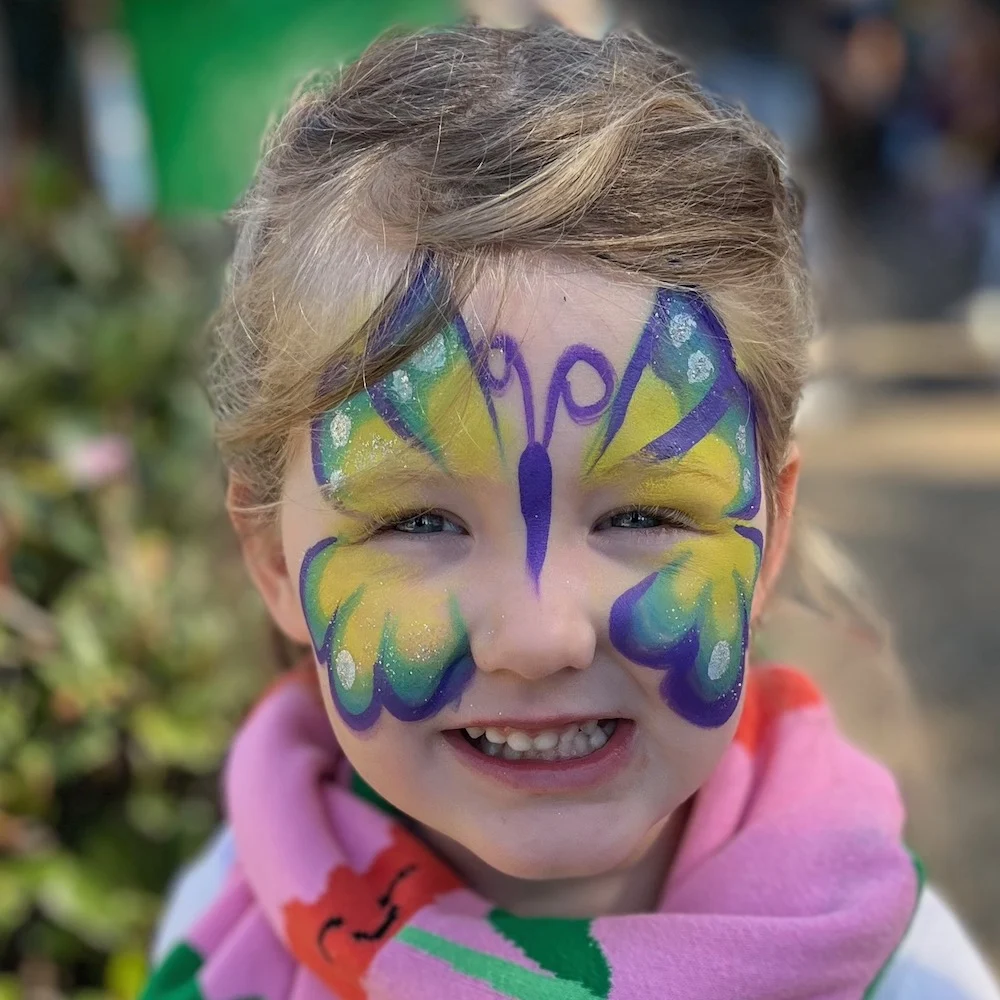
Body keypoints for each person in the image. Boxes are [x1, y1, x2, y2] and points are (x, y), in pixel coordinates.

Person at [141, 24, 1000, 1000]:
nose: (539, 635)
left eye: (641, 513)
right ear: (269, 559)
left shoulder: (902, 972)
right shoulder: (222, 928)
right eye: (420, 522)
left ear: (770, 540)